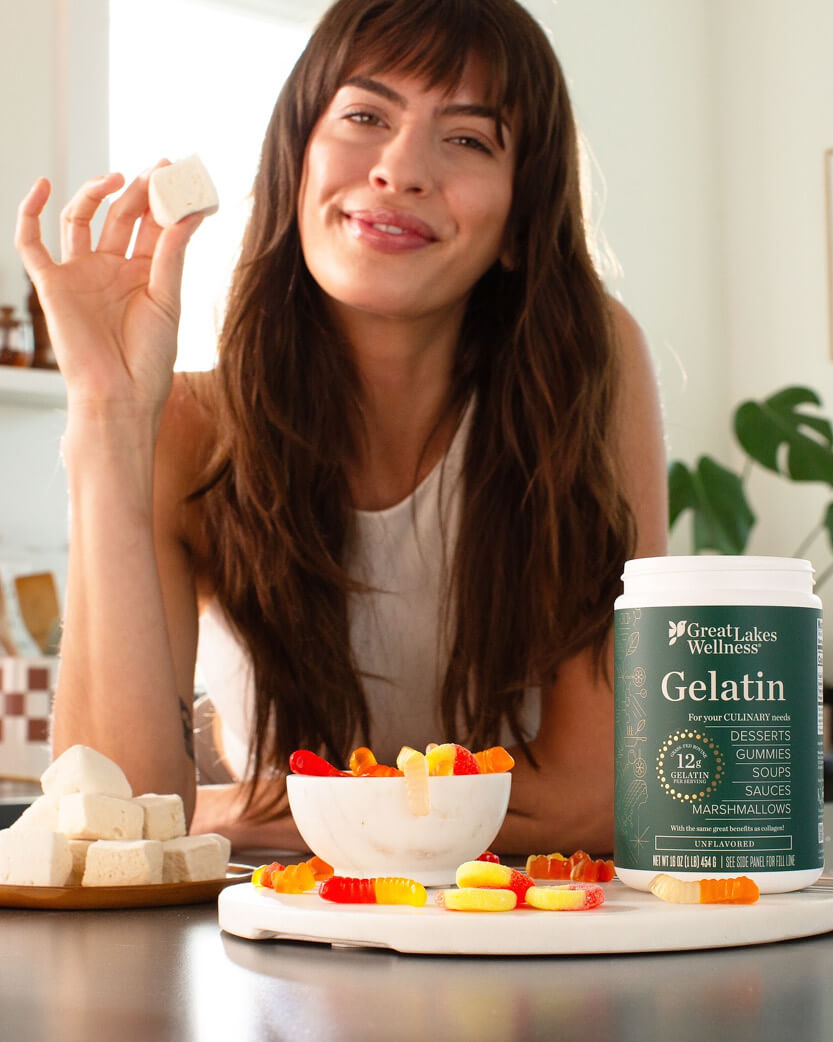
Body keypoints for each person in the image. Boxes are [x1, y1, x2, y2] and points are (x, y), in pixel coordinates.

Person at [15, 0, 666, 855]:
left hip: (529, 948)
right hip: (271, 961)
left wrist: (231, 810)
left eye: (468, 139)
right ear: (295, 161)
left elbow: (594, 799)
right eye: (364, 116)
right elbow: (119, 821)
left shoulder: (587, 366)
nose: (400, 170)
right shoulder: (187, 430)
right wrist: (106, 416)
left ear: (518, 221)